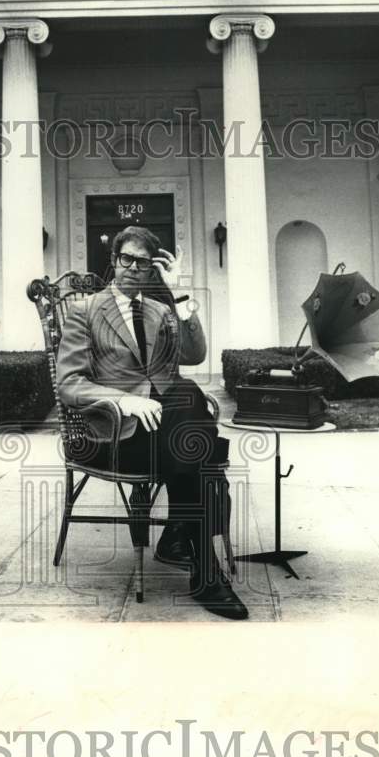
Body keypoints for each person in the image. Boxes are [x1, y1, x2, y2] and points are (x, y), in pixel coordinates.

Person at [56, 225, 248, 620]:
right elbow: (69, 384)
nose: (133, 268)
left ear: (152, 271)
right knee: (199, 436)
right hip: (114, 433)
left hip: (164, 430)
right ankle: (187, 551)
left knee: (187, 403)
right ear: (114, 262)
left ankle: (200, 565)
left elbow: (194, 355)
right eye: (126, 259)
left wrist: (179, 295)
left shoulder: (161, 310)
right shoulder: (84, 311)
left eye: (143, 263)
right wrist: (122, 400)